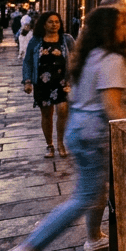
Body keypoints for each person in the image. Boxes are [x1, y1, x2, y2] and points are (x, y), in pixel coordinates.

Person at [1, 7, 126, 251]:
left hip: (81, 131)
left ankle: (94, 238)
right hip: (93, 136)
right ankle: (28, 249)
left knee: (94, 194)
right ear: (110, 29)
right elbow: (111, 108)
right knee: (83, 198)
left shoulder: (91, 55)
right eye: (123, 24)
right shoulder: (110, 59)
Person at [21, 12, 75, 158]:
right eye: (51, 22)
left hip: (62, 81)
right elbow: (27, 61)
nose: (54, 24)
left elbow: (76, 57)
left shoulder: (66, 39)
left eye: (57, 22)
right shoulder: (36, 40)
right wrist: (27, 81)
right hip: (42, 81)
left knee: (63, 110)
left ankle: (61, 143)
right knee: (46, 114)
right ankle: (49, 145)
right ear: (44, 24)